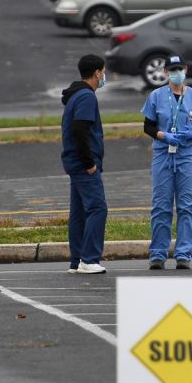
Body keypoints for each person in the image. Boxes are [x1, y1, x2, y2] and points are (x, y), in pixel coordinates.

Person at [141, 55, 192, 271]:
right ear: (165, 72)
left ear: (186, 69)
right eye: (172, 70)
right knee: (161, 205)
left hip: (187, 155)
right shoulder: (156, 95)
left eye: (179, 69)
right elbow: (148, 126)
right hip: (163, 154)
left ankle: (183, 254)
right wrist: (163, 135)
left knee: (187, 206)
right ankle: (158, 254)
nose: (176, 73)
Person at [61, 54, 108, 274]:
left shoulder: (75, 95)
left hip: (73, 161)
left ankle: (76, 260)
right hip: (83, 163)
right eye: (103, 72)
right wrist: (89, 163)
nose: (104, 76)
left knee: (79, 212)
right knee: (98, 208)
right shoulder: (86, 97)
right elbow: (80, 130)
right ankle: (89, 259)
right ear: (97, 73)